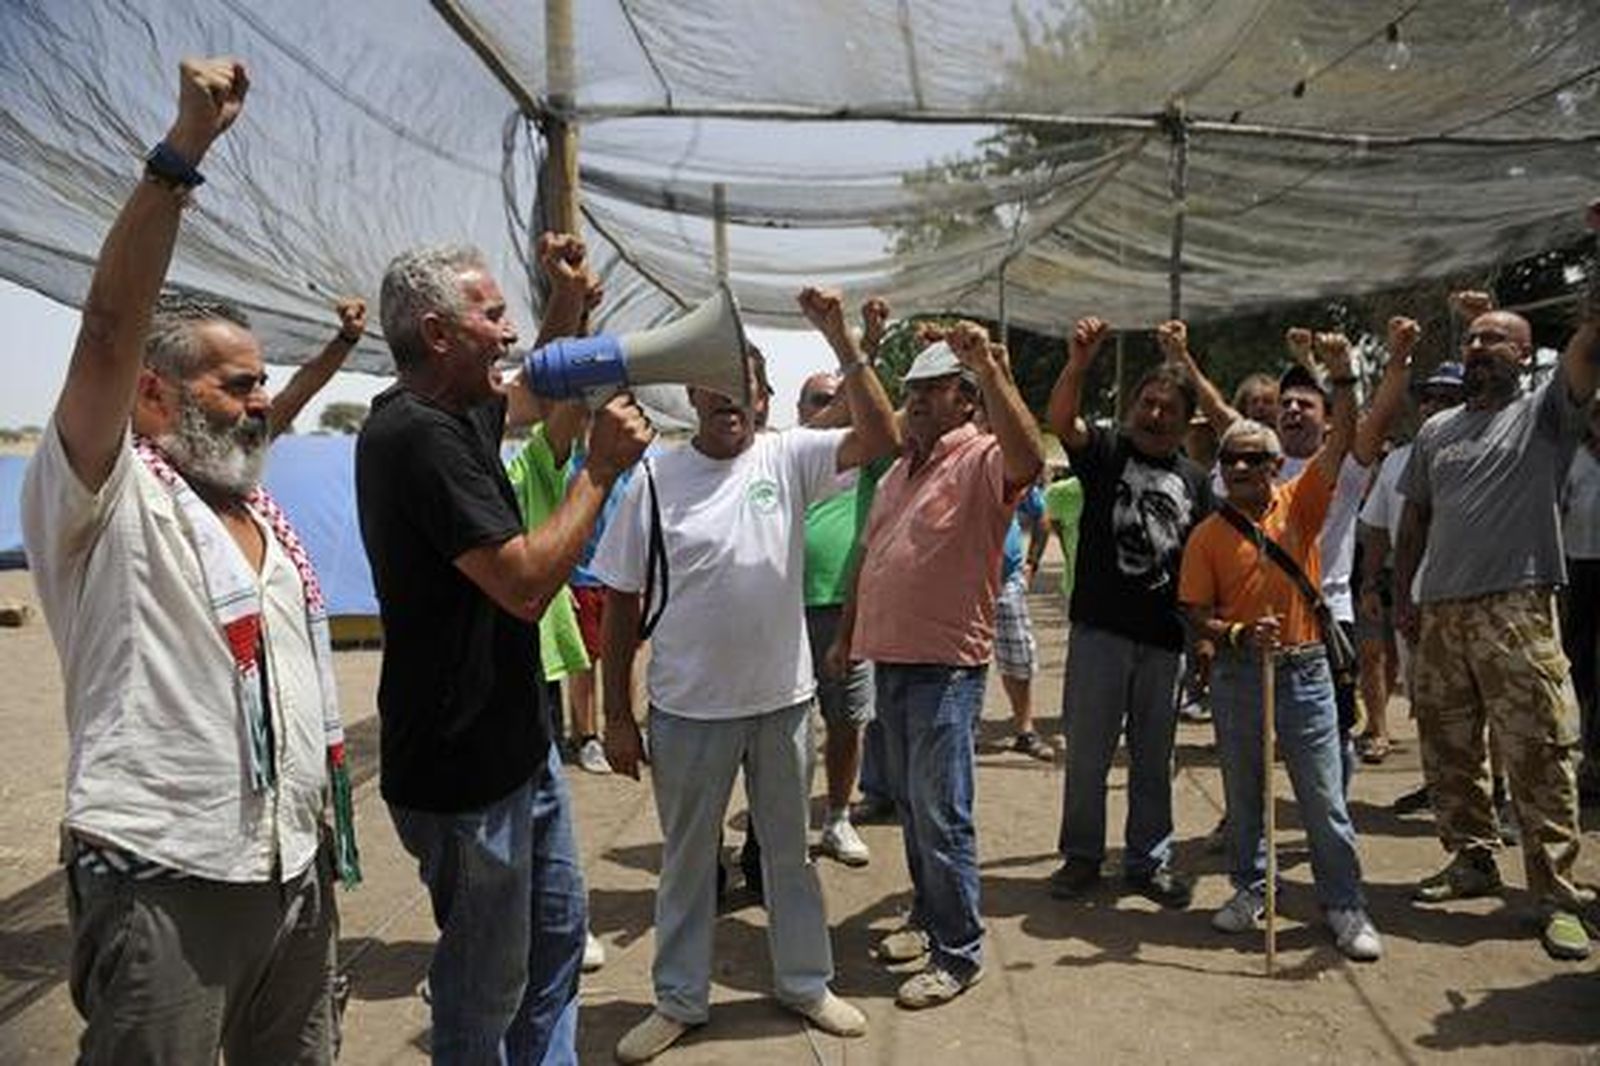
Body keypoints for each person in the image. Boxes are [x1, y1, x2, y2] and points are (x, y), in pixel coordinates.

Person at [22, 57, 357, 1063]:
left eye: (262, 384)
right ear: (153, 395)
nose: (260, 404)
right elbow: (106, 330)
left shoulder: (256, 513)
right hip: (163, 882)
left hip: (293, 874)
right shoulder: (105, 497)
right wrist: (180, 155)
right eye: (236, 385)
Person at [355, 233, 652, 1062]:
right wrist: (598, 472)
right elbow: (523, 587)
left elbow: (532, 384)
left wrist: (568, 300)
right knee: (485, 986)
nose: (510, 331)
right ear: (437, 333)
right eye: (491, 315)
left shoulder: (456, 411)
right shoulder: (416, 437)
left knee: (555, 943)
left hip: (517, 752)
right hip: (463, 778)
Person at [594, 287, 898, 1063]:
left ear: (762, 399)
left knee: (789, 856)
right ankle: (678, 999)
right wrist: (617, 715)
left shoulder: (788, 455)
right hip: (687, 712)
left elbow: (882, 434)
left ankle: (804, 984)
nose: (732, 398)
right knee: (688, 864)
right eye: (717, 385)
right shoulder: (654, 479)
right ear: (694, 395)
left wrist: (842, 339)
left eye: (746, 386)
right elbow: (621, 602)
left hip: (783, 705)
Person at [1394, 222, 1600, 960]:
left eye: (1496, 339)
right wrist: (1403, 595)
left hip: (1518, 605)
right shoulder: (1438, 430)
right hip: (1442, 610)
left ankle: (1557, 895)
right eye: (1474, 338)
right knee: (1448, 745)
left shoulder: (1547, 413)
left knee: (1539, 750)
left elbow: (1591, 344)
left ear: (1525, 354)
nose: (1480, 346)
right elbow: (1415, 520)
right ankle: (1472, 860)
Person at [837, 322, 1044, 1010]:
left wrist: (992, 369)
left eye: (935, 388)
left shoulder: (983, 457)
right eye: (913, 390)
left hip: (945, 669)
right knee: (914, 807)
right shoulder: (900, 471)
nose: (919, 400)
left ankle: (958, 951)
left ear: (967, 399)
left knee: (942, 812)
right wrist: (848, 635)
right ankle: (929, 918)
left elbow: (1028, 460)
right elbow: (869, 556)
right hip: (892, 660)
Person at [1179, 332, 1383, 962]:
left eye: (1252, 460)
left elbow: (1342, 441)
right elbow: (1194, 613)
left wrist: (1343, 377)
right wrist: (1237, 634)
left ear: (1275, 466)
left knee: (1322, 796)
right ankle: (1251, 888)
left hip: (1305, 669)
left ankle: (1344, 902)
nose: (1240, 469)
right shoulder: (1207, 535)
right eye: (1230, 460)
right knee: (1245, 794)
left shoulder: (1304, 502)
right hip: (1239, 673)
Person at [1170, 317, 1417, 791]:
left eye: (1305, 403)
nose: (1292, 409)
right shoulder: (1252, 463)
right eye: (1285, 404)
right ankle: (1246, 815)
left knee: (1332, 732)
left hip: (1325, 619)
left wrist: (1396, 359)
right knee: (1247, 734)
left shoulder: (1345, 467)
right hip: (1249, 623)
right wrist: (1183, 360)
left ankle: (1330, 806)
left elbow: (1379, 415)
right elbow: (1219, 413)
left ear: (1329, 419)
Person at [1043, 317, 1213, 908]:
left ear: (1186, 422)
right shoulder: (1105, 453)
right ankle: (1081, 857)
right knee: (1088, 755)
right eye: (1147, 403)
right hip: (1100, 635)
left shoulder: (1197, 482)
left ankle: (1148, 861)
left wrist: (1205, 636)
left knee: (1154, 761)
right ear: (1132, 406)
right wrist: (1078, 363)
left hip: (1165, 644)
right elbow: (1061, 419)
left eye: (1169, 408)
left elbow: (1201, 565)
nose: (1155, 414)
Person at [1354, 362, 1465, 765]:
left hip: (1469, 597)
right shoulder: (1397, 461)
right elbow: (1377, 530)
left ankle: (1495, 786)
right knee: (1425, 693)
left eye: (1447, 399)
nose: (1433, 406)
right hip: (1413, 601)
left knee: (1476, 697)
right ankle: (1437, 781)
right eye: (1428, 398)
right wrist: (1370, 584)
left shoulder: (1481, 457)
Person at [1563, 398, 1600, 800]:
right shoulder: (1573, 459)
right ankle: (1591, 756)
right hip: (1579, 568)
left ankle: (1594, 764)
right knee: (1582, 664)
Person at [267, 296, 368, 437]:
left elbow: (301, 389)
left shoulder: (250, 437)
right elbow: (299, 392)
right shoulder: (243, 440)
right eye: (241, 385)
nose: (261, 399)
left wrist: (348, 337)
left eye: (262, 382)